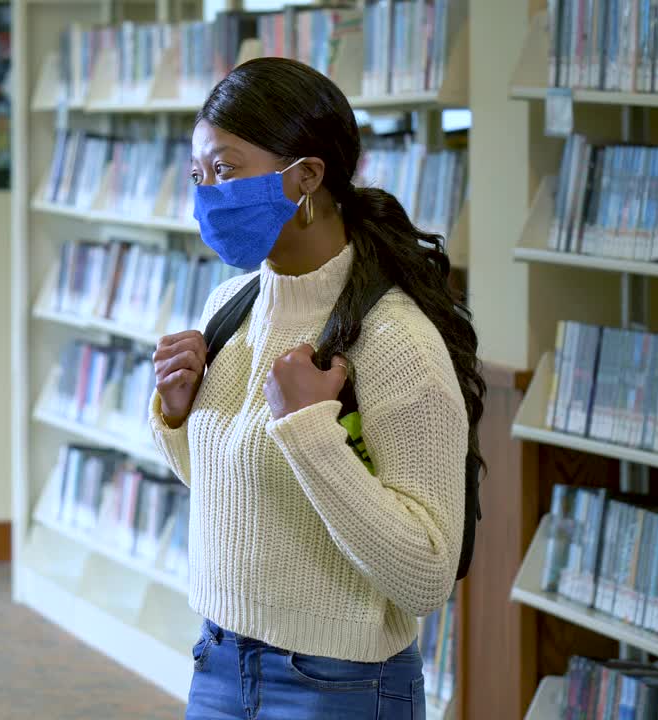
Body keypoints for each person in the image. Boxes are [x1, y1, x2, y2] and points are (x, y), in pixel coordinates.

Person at [150, 58, 485, 720]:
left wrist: (308, 430)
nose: (208, 195)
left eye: (225, 168)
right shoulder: (231, 306)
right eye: (198, 176)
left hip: (337, 686)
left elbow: (425, 577)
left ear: (306, 176)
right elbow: (242, 489)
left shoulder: (393, 341)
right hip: (216, 662)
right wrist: (179, 416)